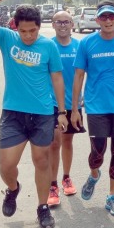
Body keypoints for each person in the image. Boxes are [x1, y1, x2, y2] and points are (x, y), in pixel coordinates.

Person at [0, 0, 68, 228]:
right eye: (23, 31)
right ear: (16, 27)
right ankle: (13, 189)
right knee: (6, 165)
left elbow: (57, 79)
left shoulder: (48, 46)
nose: (28, 35)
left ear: (39, 26)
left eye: (33, 30)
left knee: (41, 160)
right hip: (13, 113)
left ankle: (42, 207)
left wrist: (63, 112)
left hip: (43, 114)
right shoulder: (6, 38)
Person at [70, 1, 114, 216]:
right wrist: (74, 109)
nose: (108, 20)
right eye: (104, 17)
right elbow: (79, 76)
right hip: (95, 107)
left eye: (112, 16)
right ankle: (93, 175)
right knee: (97, 152)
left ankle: (112, 197)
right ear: (98, 19)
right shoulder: (87, 43)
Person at [46, 11, 86, 207]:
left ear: (72, 24)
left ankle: (66, 178)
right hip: (53, 104)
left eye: (66, 22)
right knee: (54, 142)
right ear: (53, 25)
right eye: (58, 22)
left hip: (73, 104)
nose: (63, 25)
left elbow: (84, 72)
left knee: (68, 141)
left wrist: (82, 96)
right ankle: (52, 185)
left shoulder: (80, 46)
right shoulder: (48, 45)